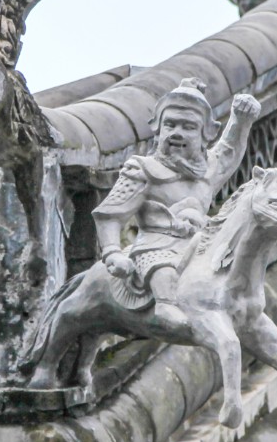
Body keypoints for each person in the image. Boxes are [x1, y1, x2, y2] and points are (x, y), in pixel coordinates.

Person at [93, 78, 260, 307]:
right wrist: (113, 253)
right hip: (155, 249)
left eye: (188, 127)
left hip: (198, 249)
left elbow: (229, 150)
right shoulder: (143, 170)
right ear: (158, 130)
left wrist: (241, 119)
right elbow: (110, 215)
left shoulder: (208, 170)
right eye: (170, 125)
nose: (177, 133)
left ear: (205, 135)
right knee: (167, 282)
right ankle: (166, 309)